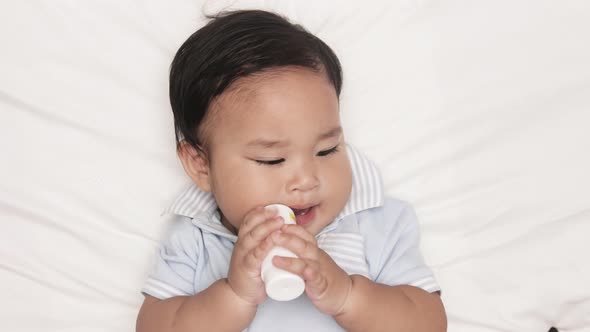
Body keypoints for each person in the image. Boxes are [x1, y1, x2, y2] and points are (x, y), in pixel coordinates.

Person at [136, 9, 446, 332]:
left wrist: (347, 296)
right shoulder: (195, 237)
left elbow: (429, 323)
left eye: (326, 151)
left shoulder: (375, 224)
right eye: (272, 160)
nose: (307, 180)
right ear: (201, 164)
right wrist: (235, 296)